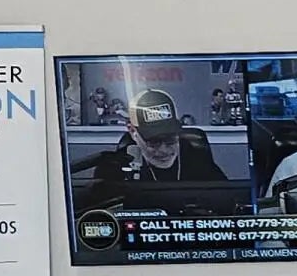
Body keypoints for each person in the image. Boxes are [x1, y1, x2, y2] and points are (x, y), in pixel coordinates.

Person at [73, 88, 231, 212]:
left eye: (170, 139)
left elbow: (229, 202)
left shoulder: (198, 158)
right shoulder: (113, 169)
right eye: (153, 142)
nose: (163, 150)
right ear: (133, 131)